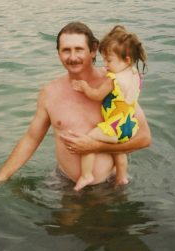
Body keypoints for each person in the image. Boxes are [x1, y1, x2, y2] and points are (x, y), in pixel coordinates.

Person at [0, 22, 151, 199]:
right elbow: (31, 139)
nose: (73, 57)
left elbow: (144, 138)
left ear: (94, 49)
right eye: (66, 50)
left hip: (112, 184)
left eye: (79, 49)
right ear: (58, 53)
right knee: (63, 227)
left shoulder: (115, 85)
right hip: (65, 184)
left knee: (110, 229)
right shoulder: (50, 93)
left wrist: (97, 146)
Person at [71, 25, 147, 191]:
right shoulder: (134, 74)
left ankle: (86, 175)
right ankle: (122, 177)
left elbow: (97, 95)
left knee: (89, 140)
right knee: (119, 152)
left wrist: (84, 87)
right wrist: (112, 67)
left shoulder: (113, 79)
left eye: (109, 60)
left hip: (115, 126)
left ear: (126, 59)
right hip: (129, 126)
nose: (105, 64)